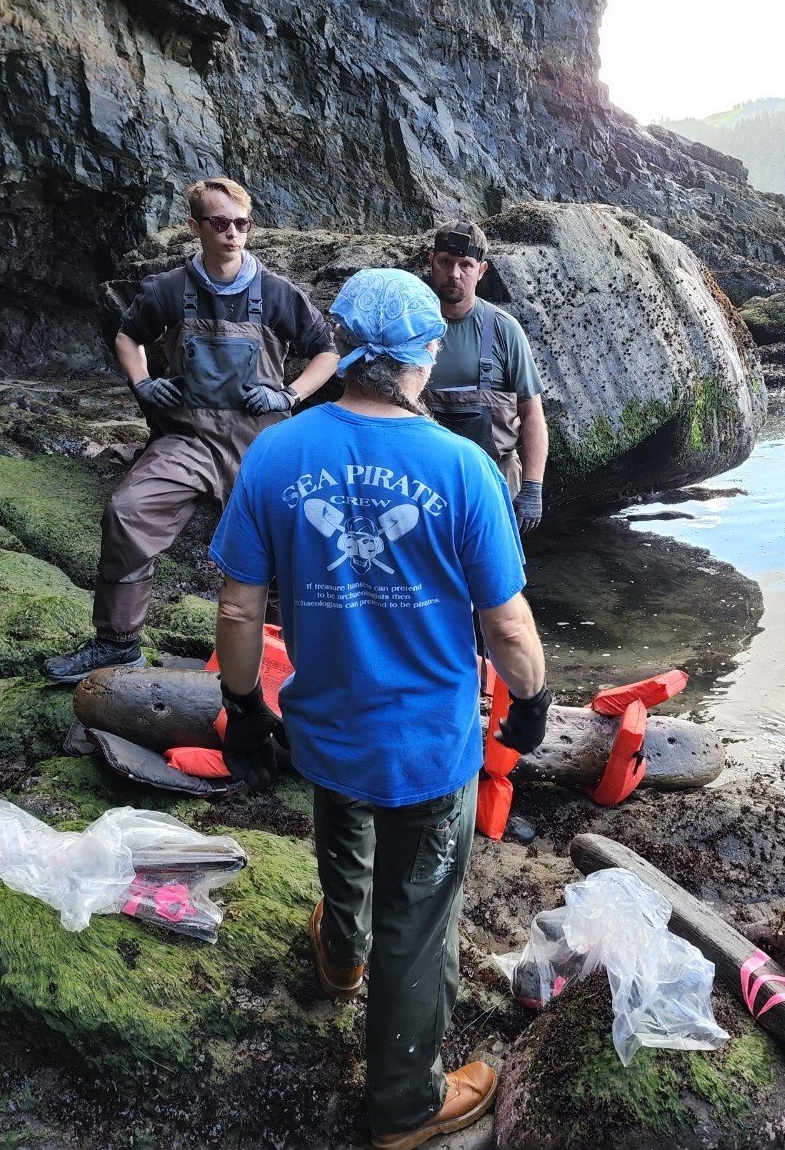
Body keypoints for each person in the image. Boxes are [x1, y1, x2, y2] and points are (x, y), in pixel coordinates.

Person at [207, 268, 552, 1149]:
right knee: (423, 909)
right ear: (413, 357)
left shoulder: (277, 454)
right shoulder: (463, 467)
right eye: (433, 341)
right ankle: (403, 1104)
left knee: (343, 823)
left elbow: (240, 609)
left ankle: (342, 953)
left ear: (350, 347)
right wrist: (535, 700)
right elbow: (507, 622)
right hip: (429, 741)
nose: (439, 350)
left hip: (325, 723)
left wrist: (244, 708)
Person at [43, 177, 338, 682]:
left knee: (288, 544)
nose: (232, 234)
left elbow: (327, 352)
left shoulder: (276, 292)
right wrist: (143, 384)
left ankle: (289, 663)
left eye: (241, 224)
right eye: (220, 223)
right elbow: (127, 336)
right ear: (195, 227)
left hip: (263, 442)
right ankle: (117, 643)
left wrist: (287, 395)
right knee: (128, 511)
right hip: (190, 439)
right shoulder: (169, 289)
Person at [424, 220, 550, 533]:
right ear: (432, 262)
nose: (454, 273)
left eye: (465, 265)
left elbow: (532, 414)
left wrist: (533, 486)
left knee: (496, 579)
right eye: (446, 263)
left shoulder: (504, 330)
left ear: (481, 271)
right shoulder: (411, 325)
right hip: (423, 479)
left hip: (495, 478)